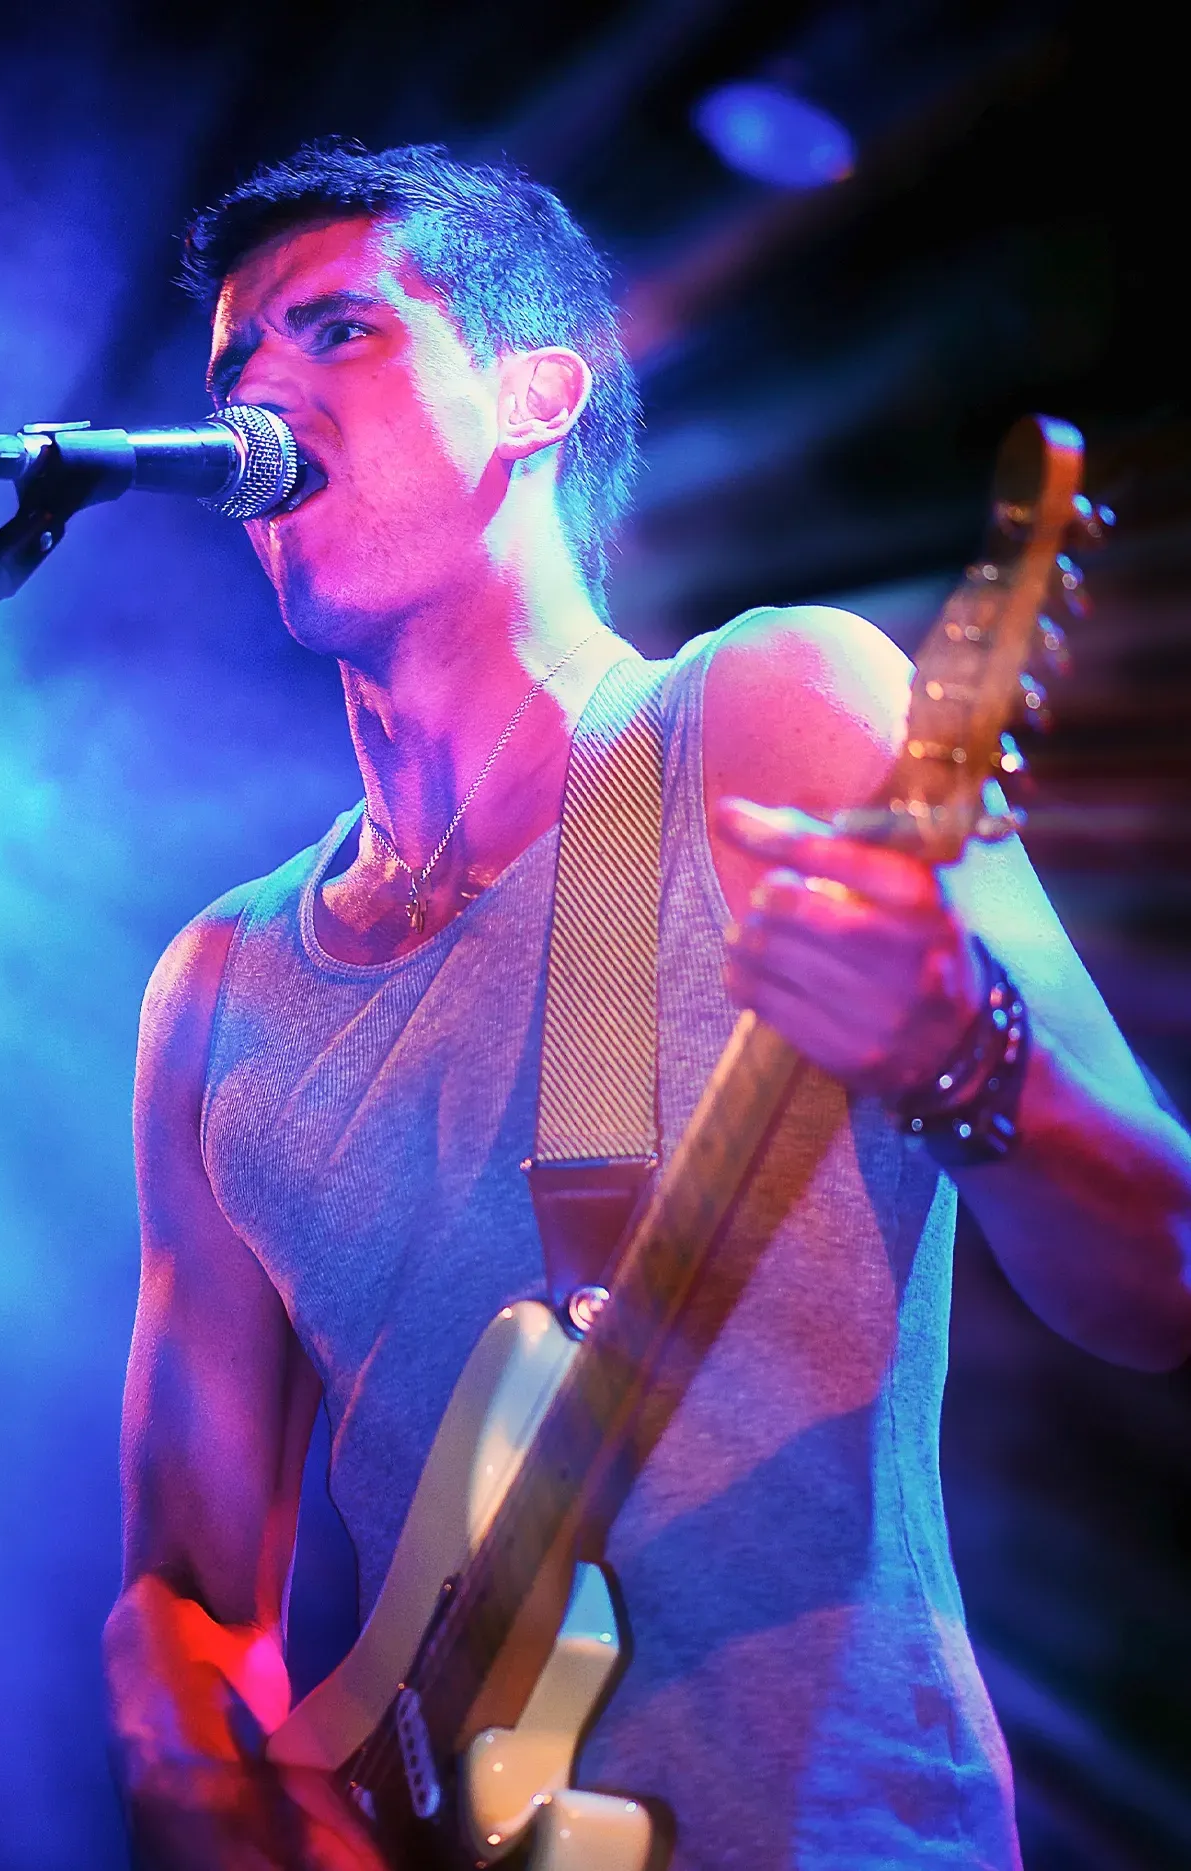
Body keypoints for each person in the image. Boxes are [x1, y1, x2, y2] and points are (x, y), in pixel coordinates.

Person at [102, 142, 1191, 1871]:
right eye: (239, 372)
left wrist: (957, 1049)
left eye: (341, 336)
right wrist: (197, 1770)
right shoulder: (219, 989)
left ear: (540, 395)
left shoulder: (770, 708)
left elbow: (1160, 1276)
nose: (265, 401)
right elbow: (187, 1583)